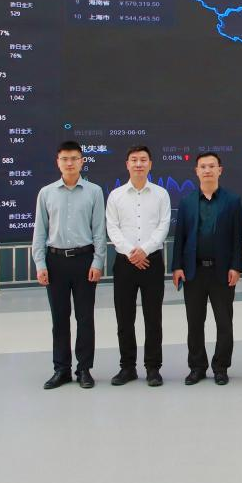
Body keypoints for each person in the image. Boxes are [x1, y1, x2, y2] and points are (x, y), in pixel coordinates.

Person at [32, 140, 106, 390]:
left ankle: (84, 369)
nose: (70, 163)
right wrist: (40, 263)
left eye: (74, 158)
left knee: (85, 318)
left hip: (85, 260)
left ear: (82, 161)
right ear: (58, 162)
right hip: (55, 262)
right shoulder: (46, 193)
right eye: (65, 159)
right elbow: (40, 231)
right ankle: (61, 369)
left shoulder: (94, 192)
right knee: (59, 318)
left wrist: (98, 261)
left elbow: (99, 230)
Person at [170, 151, 242, 386]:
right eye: (203, 166)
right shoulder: (187, 202)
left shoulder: (232, 201)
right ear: (196, 171)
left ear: (220, 170)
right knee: (194, 323)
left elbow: (237, 237)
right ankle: (197, 367)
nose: (207, 170)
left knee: (224, 323)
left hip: (222, 272)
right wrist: (177, 267)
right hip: (194, 272)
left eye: (212, 166)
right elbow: (180, 237)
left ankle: (221, 367)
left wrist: (236, 267)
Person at [106, 145, 171, 388]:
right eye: (134, 160)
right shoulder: (116, 195)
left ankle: (153, 368)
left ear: (150, 164)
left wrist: (145, 250)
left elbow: (163, 225)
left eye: (143, 160)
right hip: (124, 263)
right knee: (124, 318)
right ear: (127, 164)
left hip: (152, 261)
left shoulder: (161, 194)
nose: (138, 164)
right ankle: (127, 367)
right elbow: (112, 227)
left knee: (153, 318)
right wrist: (131, 252)